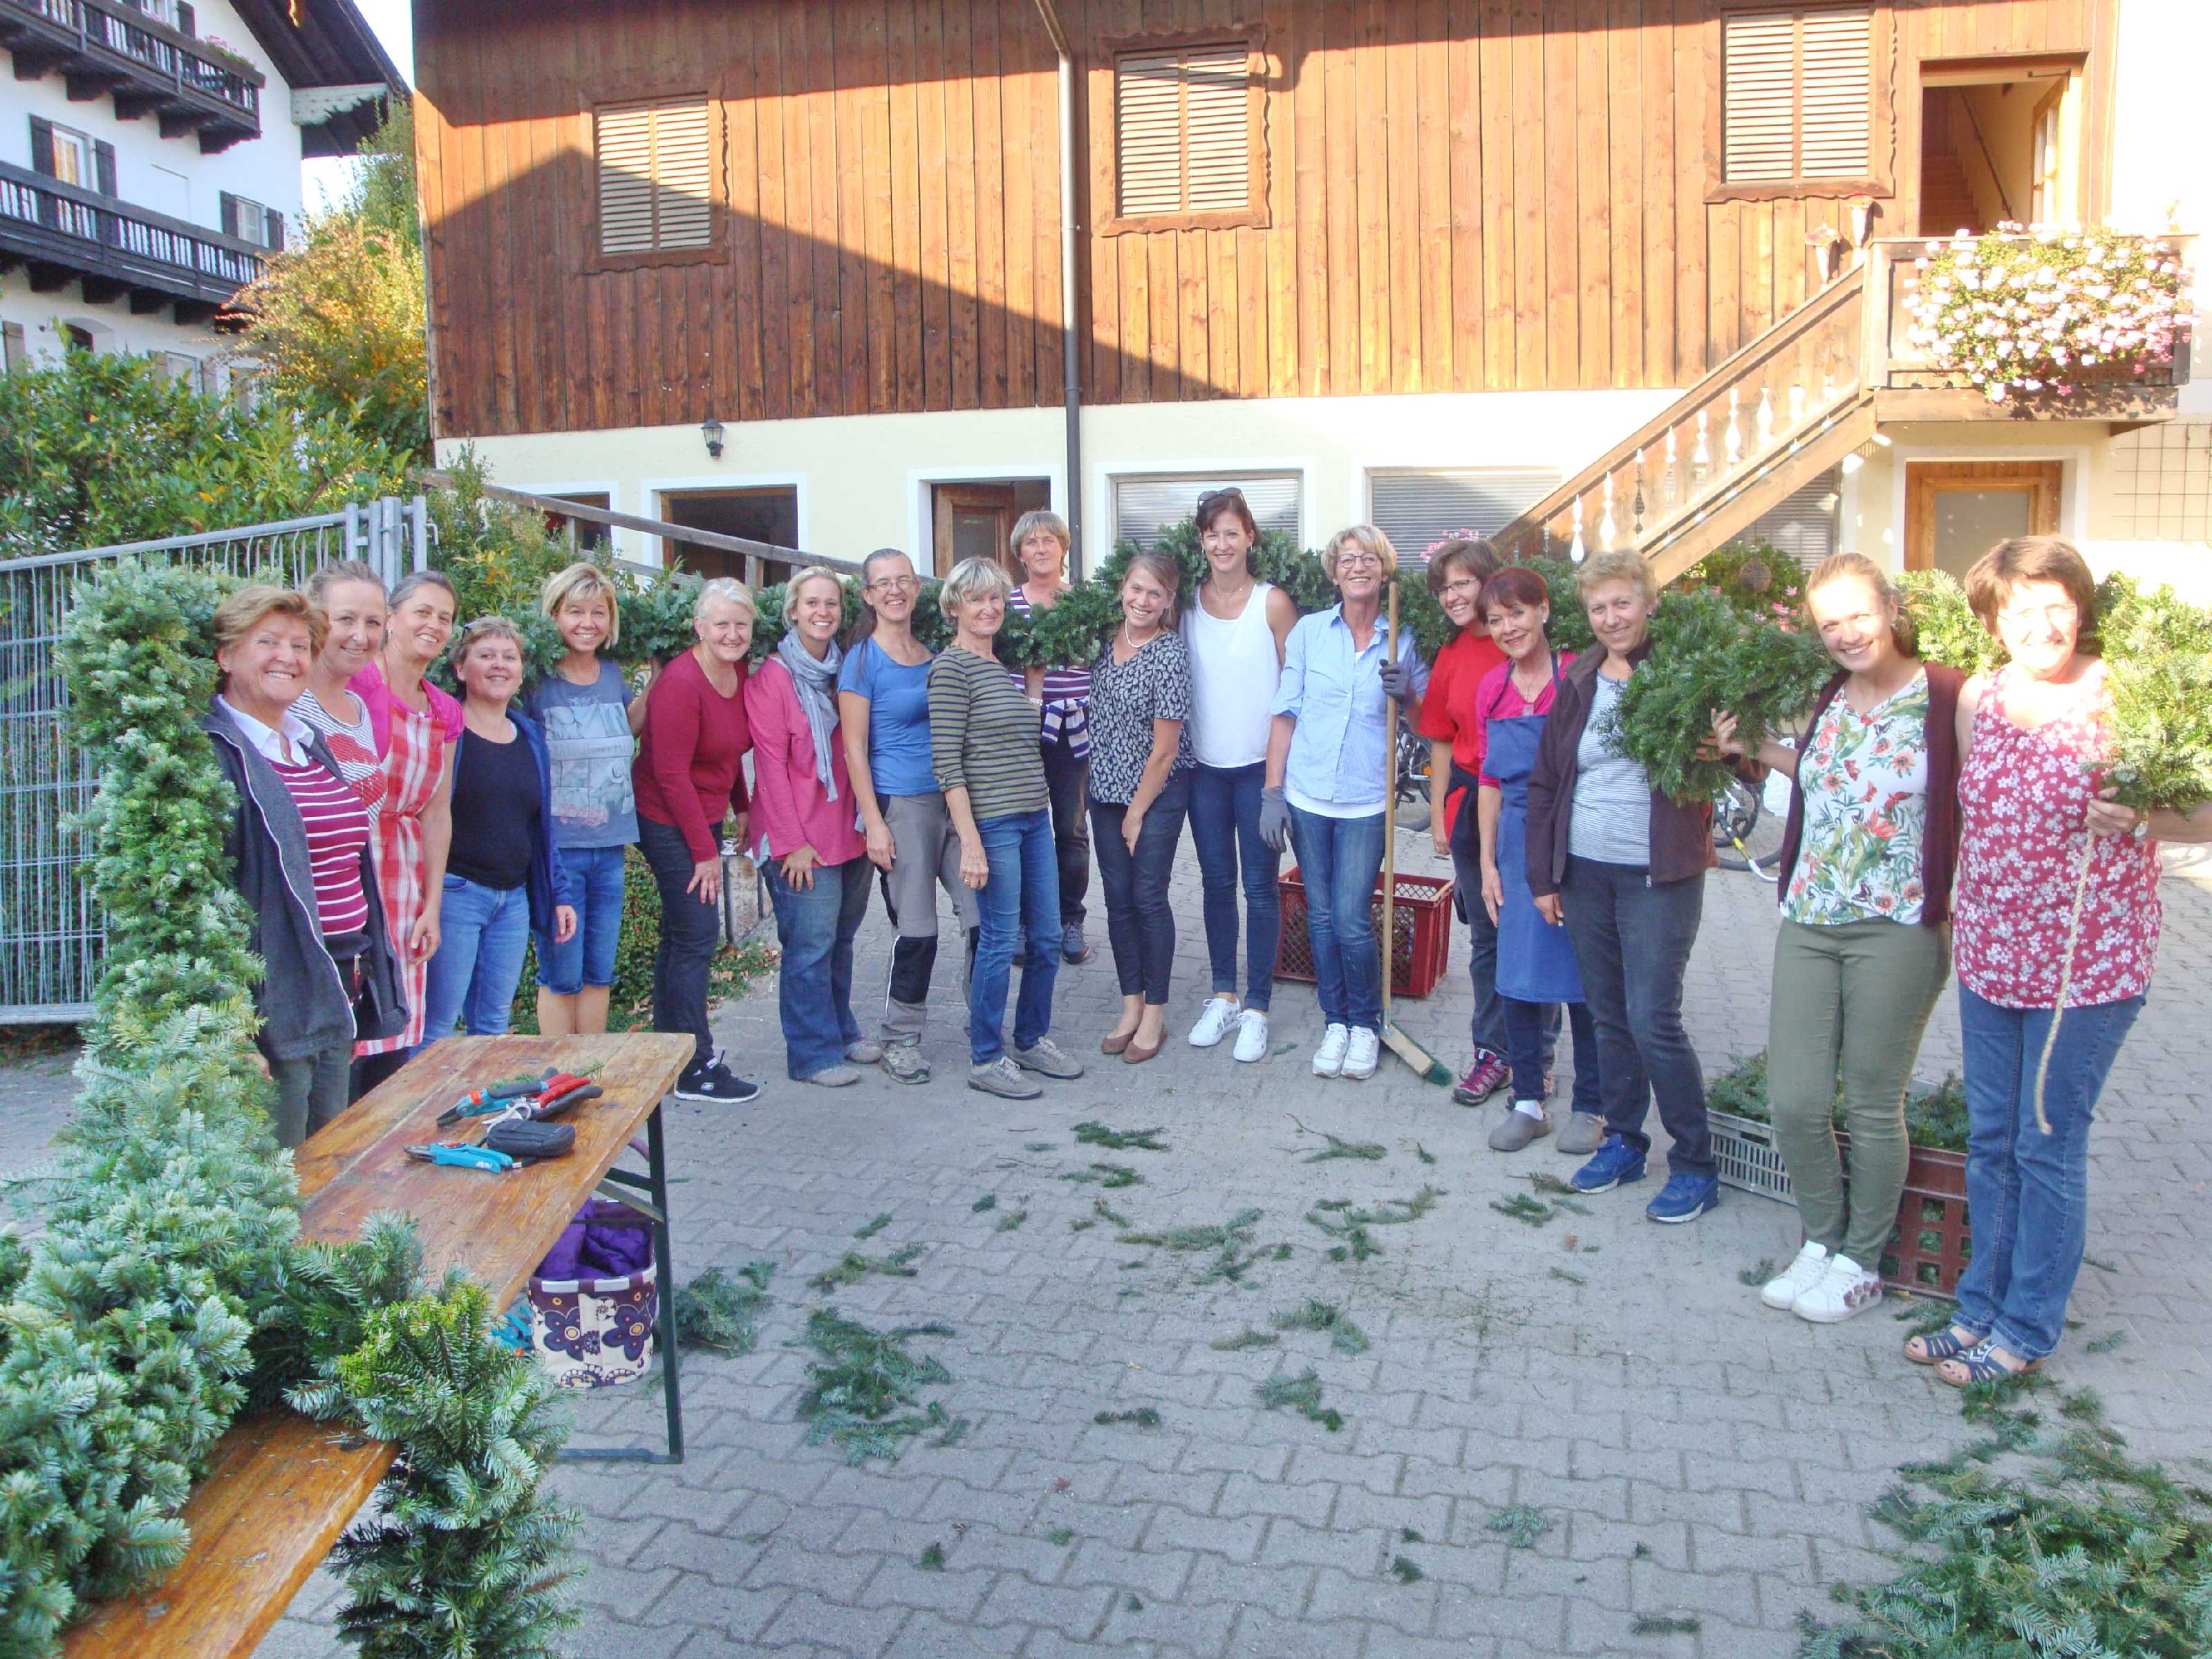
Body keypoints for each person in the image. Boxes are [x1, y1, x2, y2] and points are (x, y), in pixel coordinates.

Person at [1904, 536, 2211, 1385]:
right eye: (2019, 610)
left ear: (2079, 609)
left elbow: (2204, 813)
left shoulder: (2124, 696)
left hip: (2087, 964)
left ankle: (2026, 1327)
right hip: (1990, 954)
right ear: (1991, 621)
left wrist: (2142, 819)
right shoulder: (1979, 697)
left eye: (2055, 606)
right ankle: (1976, 1308)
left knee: (2044, 1144)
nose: (2040, 625)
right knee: (1990, 1141)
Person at [1712, 554, 1965, 1322]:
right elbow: (1831, 777)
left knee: (1871, 1103)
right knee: (1793, 1101)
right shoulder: (1830, 694)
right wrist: (1753, 748)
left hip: (1897, 928)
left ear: (1891, 608)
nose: (1847, 634)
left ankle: (1862, 1261)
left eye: (1859, 615)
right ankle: (1821, 1241)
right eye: (1830, 624)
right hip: (1810, 919)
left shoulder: (1947, 696)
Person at [1525, 549, 1730, 1224]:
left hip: (1657, 874)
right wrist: (1543, 877)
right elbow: (1547, 779)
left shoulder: (1684, 673)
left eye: (1622, 602)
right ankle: (1624, 1141)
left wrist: (1727, 746)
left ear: (1648, 603)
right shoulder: (1580, 676)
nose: (1611, 618)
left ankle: (1694, 1163)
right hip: (1586, 872)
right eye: (1598, 607)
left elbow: (1741, 757)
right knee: (1608, 1015)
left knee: (1652, 1019)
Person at [204, 585, 404, 1147]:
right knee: (282, 1167)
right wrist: (232, 1025)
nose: (288, 658)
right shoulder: (215, 755)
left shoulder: (307, 743)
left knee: (329, 1160)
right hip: (277, 1000)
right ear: (226, 655)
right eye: (268, 642)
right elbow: (203, 900)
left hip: (338, 984)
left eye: (299, 645)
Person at [1262, 525, 1425, 1082]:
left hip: (1364, 801)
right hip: (1308, 795)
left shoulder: (1402, 639)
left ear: (1384, 570)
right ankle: (1334, 1020)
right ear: (1334, 573)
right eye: (1347, 559)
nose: (1358, 566)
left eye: (1369, 558)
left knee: (1353, 919)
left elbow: (1426, 725)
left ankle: (1366, 1023)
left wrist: (1409, 694)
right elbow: (1286, 713)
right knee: (1322, 915)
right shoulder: (1309, 633)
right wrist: (1273, 791)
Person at [929, 556, 1086, 1100]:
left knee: (1046, 936)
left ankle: (1030, 1039)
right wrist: (969, 842)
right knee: (999, 939)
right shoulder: (951, 669)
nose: (988, 607)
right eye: (976, 599)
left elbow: (1022, 736)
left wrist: (1034, 688)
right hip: (993, 823)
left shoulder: (999, 666)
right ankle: (985, 1056)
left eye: (995, 597)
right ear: (955, 607)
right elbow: (947, 764)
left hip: (1034, 816)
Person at [1418, 536, 1559, 1116]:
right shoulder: (1452, 654)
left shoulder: (1526, 649)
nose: (1454, 596)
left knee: (1538, 931)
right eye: (1444, 587)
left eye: (1463, 584)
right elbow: (1440, 736)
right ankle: (1493, 1052)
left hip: (1529, 806)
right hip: (1473, 804)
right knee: (1487, 937)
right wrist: (1437, 815)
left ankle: (1538, 1057)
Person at [1471, 565, 1604, 1152]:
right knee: (1518, 975)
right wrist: (1488, 864)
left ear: (1544, 610)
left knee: (1584, 978)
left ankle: (1593, 1107)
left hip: (1575, 836)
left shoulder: (1579, 678)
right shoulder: (1491, 688)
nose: (1508, 628)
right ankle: (1528, 1102)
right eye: (1496, 620)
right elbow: (1489, 781)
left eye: (1518, 613)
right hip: (1515, 842)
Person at [839, 547, 977, 1084]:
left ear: (918, 588)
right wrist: (873, 822)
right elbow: (854, 750)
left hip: (953, 803)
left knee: (984, 921)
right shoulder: (861, 662)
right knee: (918, 931)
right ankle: (900, 1038)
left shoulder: (934, 655)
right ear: (869, 596)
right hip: (902, 806)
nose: (895, 590)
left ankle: (984, 1021)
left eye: (904, 580)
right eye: (883, 583)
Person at [748, 568, 881, 1087]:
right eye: (812, 603)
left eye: (831, 604)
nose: (822, 612)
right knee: (809, 948)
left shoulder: (842, 669)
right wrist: (791, 844)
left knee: (840, 940)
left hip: (848, 829)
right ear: (793, 611)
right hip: (801, 840)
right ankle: (812, 1054)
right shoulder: (773, 679)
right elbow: (769, 768)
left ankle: (840, 1030)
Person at [416, 619, 576, 1044]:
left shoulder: (530, 736)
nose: (499, 665)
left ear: (521, 671)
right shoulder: (445, 731)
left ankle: (484, 1093)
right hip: (456, 895)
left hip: (513, 901)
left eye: (509, 657)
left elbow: (540, 826)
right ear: (460, 668)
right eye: (486, 656)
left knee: (492, 1026)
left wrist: (559, 893)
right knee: (437, 1026)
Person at [1181, 486, 1297, 1063]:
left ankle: (1257, 1008)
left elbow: (1295, 691)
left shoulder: (1272, 604)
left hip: (1258, 771)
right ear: (1201, 542)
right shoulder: (1186, 606)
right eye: (1213, 534)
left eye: (1233, 533)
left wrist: (1279, 784)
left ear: (1250, 537)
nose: (1223, 544)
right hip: (1205, 772)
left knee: (1260, 888)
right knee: (1215, 884)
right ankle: (1223, 995)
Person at [634, 577, 760, 1105]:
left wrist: (742, 806)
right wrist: (705, 854)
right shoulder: (681, 684)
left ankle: (668, 1053)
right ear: (699, 627)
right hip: (665, 818)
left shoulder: (738, 672)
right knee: (697, 935)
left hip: (702, 816)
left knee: (682, 935)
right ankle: (694, 1067)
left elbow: (725, 752)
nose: (732, 634)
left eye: (741, 624)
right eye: (721, 624)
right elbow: (671, 775)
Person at [347, 570, 463, 1098]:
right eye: (422, 612)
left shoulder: (444, 709)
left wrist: (431, 906)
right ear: (391, 619)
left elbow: (437, 813)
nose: (433, 625)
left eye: (444, 617)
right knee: (350, 1030)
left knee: (391, 1038)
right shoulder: (356, 686)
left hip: (404, 881)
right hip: (353, 867)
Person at [525, 561, 645, 1038]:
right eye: (576, 611)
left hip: (610, 847)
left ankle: (592, 1069)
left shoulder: (613, 676)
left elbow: (630, 727)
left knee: (599, 972)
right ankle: (558, 1072)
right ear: (555, 614)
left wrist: (658, 676)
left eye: (598, 612)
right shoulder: (536, 681)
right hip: (557, 851)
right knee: (561, 974)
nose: (588, 623)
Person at [1085, 550, 1196, 1063]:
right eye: (1136, 588)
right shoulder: (1100, 642)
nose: (1143, 600)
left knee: (1148, 896)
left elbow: (1166, 750)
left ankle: (1155, 1013)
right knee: (1117, 899)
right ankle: (1130, 1005)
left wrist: (1136, 813)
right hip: (1104, 790)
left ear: (1169, 600)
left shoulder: (1169, 654)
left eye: (1155, 592)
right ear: (1122, 589)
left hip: (1157, 792)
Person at [1004, 509, 1094, 964]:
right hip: (1020, 729)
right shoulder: (1005, 606)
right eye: (1031, 542)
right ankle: (1023, 922)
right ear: (1020, 554)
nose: (1041, 549)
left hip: (1072, 728)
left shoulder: (1085, 603)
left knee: (1071, 827)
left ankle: (1069, 920)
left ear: (1063, 548)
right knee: (1020, 823)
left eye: (1048, 541)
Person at [293, 561, 391, 821]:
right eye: (346, 619)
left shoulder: (358, 709)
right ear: (315, 620)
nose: (361, 636)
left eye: (373, 623)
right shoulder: (288, 704)